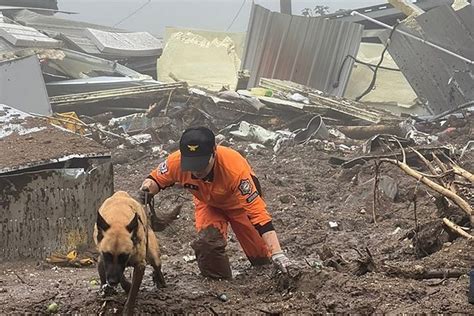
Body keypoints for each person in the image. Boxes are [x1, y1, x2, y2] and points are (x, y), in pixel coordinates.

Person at [139, 126, 290, 279]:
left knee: (262, 258)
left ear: (214, 151)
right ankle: (219, 282)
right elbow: (155, 179)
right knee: (207, 244)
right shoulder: (175, 162)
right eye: (191, 165)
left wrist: (277, 253)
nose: (197, 171)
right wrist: (147, 189)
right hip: (208, 204)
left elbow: (259, 214)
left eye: (201, 164)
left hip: (239, 206)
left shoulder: (235, 170)